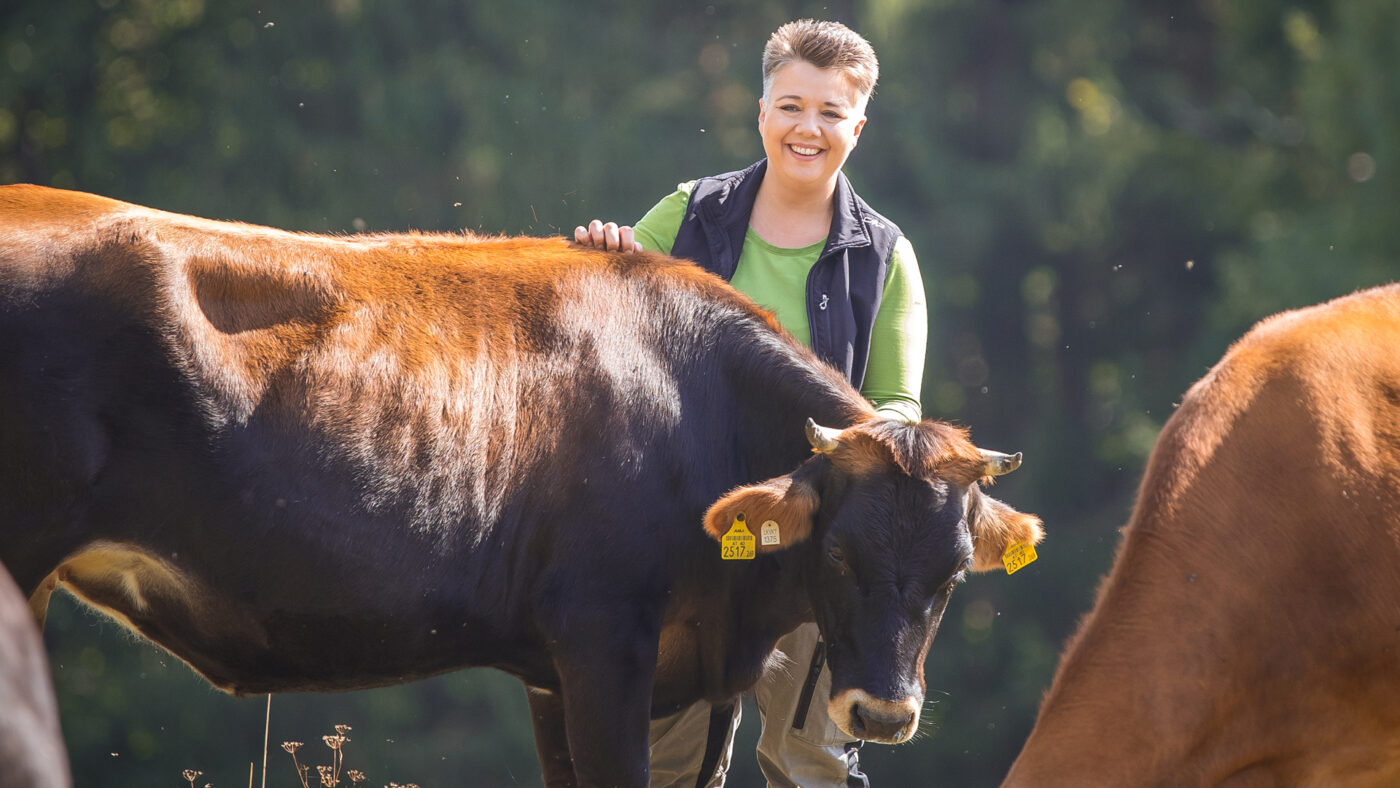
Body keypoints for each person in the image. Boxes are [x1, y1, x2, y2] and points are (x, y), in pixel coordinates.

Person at [575, 19, 926, 788]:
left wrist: (833, 457)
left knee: (810, 764)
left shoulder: (887, 257)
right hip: (684, 534)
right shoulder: (688, 213)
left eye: (831, 112)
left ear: (858, 128)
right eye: (791, 106)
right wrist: (604, 255)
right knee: (667, 766)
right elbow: (603, 327)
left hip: (820, 550)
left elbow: (899, 408)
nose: (809, 128)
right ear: (762, 112)